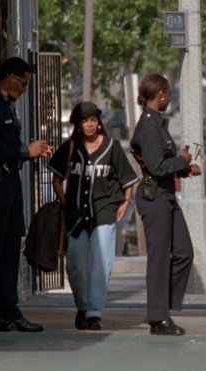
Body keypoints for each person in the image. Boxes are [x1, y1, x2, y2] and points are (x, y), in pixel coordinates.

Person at [0, 56, 51, 332]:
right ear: (11, 78)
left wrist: (26, 152)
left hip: (10, 183)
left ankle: (8, 307)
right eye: (24, 83)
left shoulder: (7, 107)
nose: (25, 89)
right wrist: (25, 151)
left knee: (10, 247)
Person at [48, 102, 138, 330]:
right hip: (76, 217)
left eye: (93, 120)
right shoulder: (70, 147)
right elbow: (56, 177)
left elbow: (128, 179)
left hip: (104, 213)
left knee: (100, 265)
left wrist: (126, 202)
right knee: (75, 265)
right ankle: (83, 306)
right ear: (78, 125)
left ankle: (95, 313)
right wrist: (64, 201)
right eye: (84, 121)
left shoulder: (112, 147)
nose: (89, 124)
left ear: (98, 122)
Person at [130, 73, 201, 336]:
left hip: (166, 193)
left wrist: (184, 169)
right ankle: (158, 317)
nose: (169, 98)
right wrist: (182, 160)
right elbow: (158, 165)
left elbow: (163, 163)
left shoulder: (158, 124)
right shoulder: (149, 126)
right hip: (154, 196)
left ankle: (161, 307)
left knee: (184, 252)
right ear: (160, 94)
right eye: (168, 94)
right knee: (159, 258)